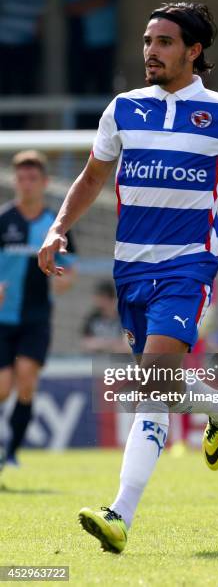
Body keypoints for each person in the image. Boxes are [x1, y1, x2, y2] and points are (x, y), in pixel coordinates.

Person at [39, 2, 218, 554]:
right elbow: (92, 175)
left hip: (187, 265)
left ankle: (119, 515)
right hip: (131, 268)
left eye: (164, 42)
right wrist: (57, 229)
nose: (150, 50)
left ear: (194, 51)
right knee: (161, 384)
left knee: (151, 381)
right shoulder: (123, 109)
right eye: (148, 41)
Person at [0, 150, 76, 468]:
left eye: (33, 178)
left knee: (27, 380)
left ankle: (12, 453)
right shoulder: (4, 220)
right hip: (3, 318)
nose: (26, 184)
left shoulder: (55, 225)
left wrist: (63, 281)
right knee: (3, 387)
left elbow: (70, 268)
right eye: (21, 178)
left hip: (37, 317)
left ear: (44, 182)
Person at [0, 0, 47, 129]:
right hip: (4, 48)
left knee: (26, 87)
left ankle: (19, 125)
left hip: (27, 48)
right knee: (4, 88)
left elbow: (41, 19)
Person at [81, 280, 128, 353]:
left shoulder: (124, 319)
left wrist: (100, 343)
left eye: (102, 298)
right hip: (96, 360)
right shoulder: (93, 317)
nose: (98, 301)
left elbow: (127, 347)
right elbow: (86, 343)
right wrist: (112, 344)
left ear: (112, 299)